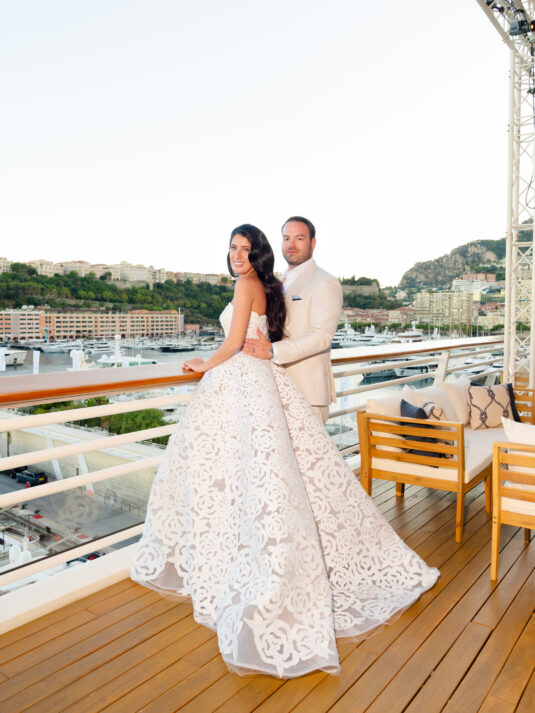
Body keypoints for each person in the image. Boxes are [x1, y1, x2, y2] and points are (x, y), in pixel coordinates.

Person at [130, 224, 439, 678]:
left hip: (253, 378)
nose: (237, 255)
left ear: (267, 251)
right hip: (259, 381)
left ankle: (265, 569)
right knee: (267, 483)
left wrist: (203, 363)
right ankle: (256, 558)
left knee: (255, 480)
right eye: (232, 247)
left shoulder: (261, 283)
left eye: (245, 248)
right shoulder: (270, 283)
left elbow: (240, 341)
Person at [241, 216, 342, 423]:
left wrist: (272, 351)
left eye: (299, 238)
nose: (291, 245)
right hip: (274, 390)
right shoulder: (278, 282)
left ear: (313, 243)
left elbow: (322, 337)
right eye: (286, 238)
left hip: (307, 392)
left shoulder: (325, 281)